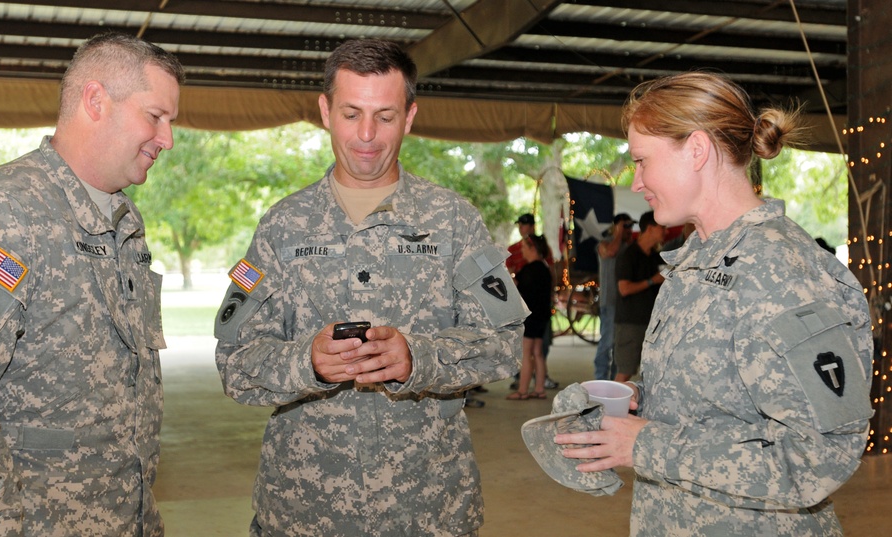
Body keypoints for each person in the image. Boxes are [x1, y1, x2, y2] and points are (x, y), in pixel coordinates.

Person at [214, 38, 526, 536]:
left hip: (426, 510)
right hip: (304, 511)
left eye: (384, 116)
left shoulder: (453, 222)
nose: (366, 135)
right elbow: (235, 362)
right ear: (324, 111)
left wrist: (418, 358)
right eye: (351, 112)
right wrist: (307, 362)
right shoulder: (282, 227)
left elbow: (505, 345)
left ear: (409, 117)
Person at [555, 72, 874, 536]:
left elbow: (821, 455)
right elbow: (706, 397)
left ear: (698, 150)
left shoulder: (782, 271)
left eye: (643, 161)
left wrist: (646, 445)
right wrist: (625, 404)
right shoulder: (696, 262)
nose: (638, 181)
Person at [0, 32, 184, 535]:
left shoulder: (122, 220)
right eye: (155, 116)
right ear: (95, 101)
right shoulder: (5, 209)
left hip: (123, 515)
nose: (167, 138)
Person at [506, 212, 559, 391]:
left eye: (527, 225)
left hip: (530, 311)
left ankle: (523, 390)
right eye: (521, 225)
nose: (523, 228)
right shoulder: (513, 250)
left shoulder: (533, 266)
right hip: (540, 311)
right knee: (537, 352)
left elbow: (520, 284)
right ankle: (538, 388)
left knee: (528, 351)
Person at [612, 210, 665, 383]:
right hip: (630, 322)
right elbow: (624, 289)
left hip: (651, 322)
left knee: (650, 371)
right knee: (626, 370)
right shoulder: (629, 255)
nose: (665, 231)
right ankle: (611, 406)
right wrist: (652, 281)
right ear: (650, 228)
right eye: (662, 227)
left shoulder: (655, 257)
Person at [592, 212, 634, 380]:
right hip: (609, 301)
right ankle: (600, 379)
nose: (629, 230)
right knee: (607, 343)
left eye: (630, 226)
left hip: (625, 303)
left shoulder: (629, 247)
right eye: (626, 226)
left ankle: (614, 380)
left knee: (620, 346)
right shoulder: (604, 244)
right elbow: (610, 252)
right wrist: (618, 233)